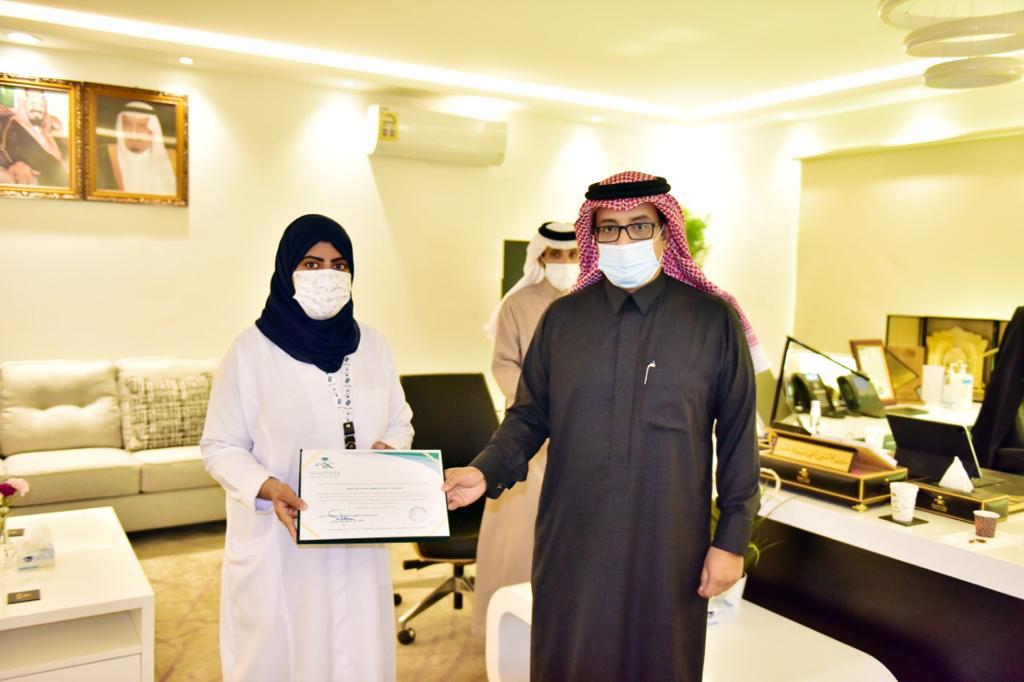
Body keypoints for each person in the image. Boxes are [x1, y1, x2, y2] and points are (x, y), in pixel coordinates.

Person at [444, 171, 769, 681]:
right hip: (574, 535)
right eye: (609, 229)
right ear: (592, 236)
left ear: (664, 231)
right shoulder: (562, 320)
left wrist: (731, 540)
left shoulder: (712, 321)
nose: (624, 241)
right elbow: (528, 416)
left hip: (669, 538)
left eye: (639, 225)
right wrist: (485, 471)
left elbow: (737, 439)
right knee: (572, 661)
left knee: (659, 663)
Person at [201, 214, 413, 681]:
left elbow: (401, 420)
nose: (327, 276)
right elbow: (220, 445)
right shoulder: (250, 351)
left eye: (339, 265)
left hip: (359, 536)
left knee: (358, 653)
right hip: (282, 542)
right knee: (286, 655)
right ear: (286, 270)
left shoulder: (374, 346)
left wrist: (389, 447)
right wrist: (265, 486)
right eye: (312, 264)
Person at [475, 221, 578, 635]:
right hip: (529, 435)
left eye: (572, 254)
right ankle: (511, 630)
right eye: (556, 254)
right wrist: (541, 407)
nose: (564, 262)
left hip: (579, 433)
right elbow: (504, 363)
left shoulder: (592, 302)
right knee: (519, 538)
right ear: (540, 257)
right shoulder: (517, 305)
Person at [96, 100, 176, 194]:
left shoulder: (173, 158)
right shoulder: (102, 154)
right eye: (127, 125)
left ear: (153, 130)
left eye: (141, 126)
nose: (133, 132)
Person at [0, 87, 68, 187]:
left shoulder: (51, 132)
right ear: (23, 104)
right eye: (32, 103)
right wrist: (14, 164)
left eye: (41, 104)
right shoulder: (11, 125)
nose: (37, 108)